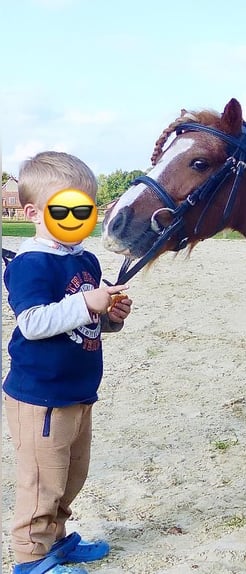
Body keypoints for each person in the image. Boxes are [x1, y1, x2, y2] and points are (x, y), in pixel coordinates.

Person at [3, 151, 132, 574]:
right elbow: (35, 322)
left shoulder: (85, 260)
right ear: (34, 213)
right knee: (43, 481)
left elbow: (84, 323)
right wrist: (84, 303)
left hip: (78, 391)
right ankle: (31, 558)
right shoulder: (30, 264)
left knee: (71, 476)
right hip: (42, 397)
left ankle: (56, 540)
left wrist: (108, 315)